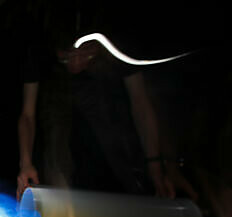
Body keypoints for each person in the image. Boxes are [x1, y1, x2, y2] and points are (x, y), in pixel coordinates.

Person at [16, 4, 197, 201]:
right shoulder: (39, 43)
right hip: (56, 87)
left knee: (117, 136)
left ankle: (140, 191)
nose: (76, 63)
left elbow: (141, 102)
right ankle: (63, 211)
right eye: (67, 56)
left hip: (103, 83)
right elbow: (28, 114)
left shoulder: (118, 34)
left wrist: (156, 166)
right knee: (56, 147)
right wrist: (25, 163)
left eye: (85, 53)